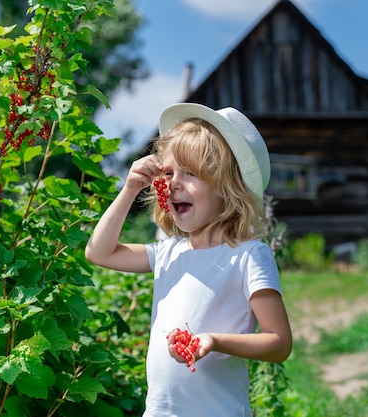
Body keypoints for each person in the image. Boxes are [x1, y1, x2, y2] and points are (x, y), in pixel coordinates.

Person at [85, 103, 292, 417]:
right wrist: (129, 190)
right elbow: (98, 252)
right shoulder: (169, 252)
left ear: (228, 188)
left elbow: (279, 342)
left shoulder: (248, 255)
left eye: (190, 173)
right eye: (168, 172)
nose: (173, 183)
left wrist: (213, 341)